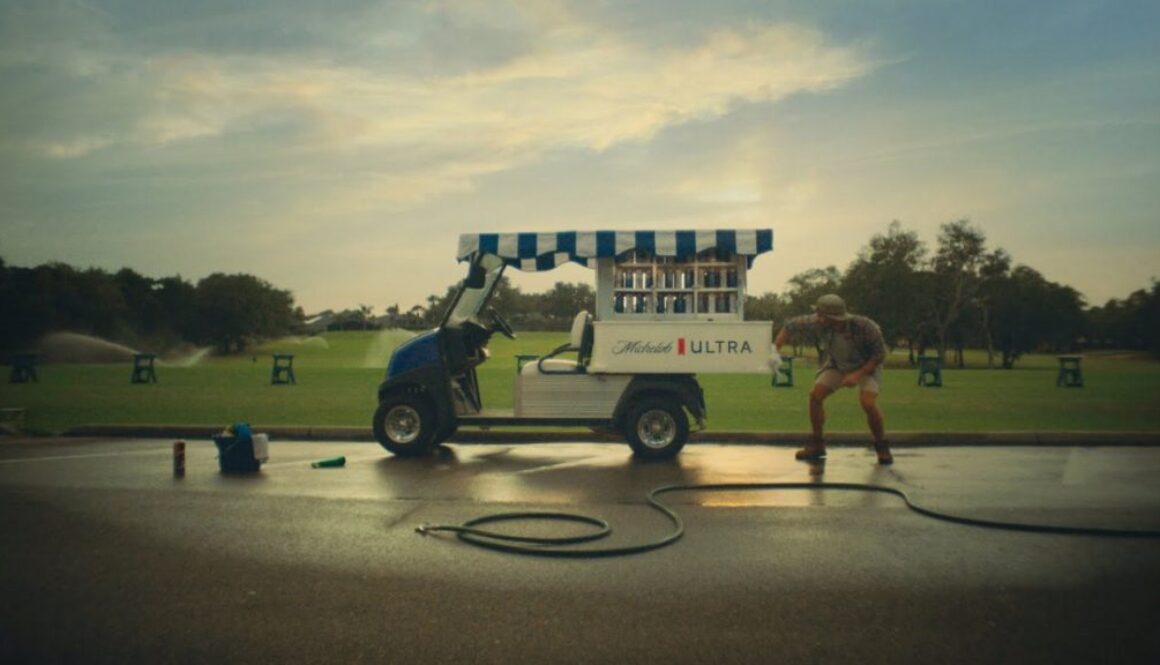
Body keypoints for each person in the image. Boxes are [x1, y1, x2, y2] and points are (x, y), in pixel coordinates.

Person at [773, 294, 892, 464]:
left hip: (867, 367)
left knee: (868, 403)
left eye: (821, 315)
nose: (818, 319)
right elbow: (790, 326)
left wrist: (857, 375)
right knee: (815, 396)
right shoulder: (818, 321)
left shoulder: (865, 326)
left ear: (832, 317)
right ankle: (817, 444)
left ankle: (882, 446)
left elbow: (879, 355)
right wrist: (774, 351)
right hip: (837, 366)